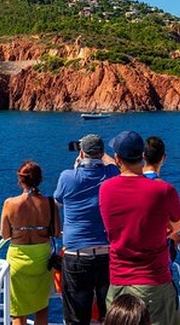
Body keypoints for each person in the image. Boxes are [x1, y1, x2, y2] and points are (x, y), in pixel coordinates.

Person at [99, 130, 180, 325]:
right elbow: (178, 225)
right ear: (142, 156)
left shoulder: (105, 189)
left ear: (117, 158)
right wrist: (166, 228)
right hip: (154, 280)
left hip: (119, 281)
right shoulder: (163, 191)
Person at [54, 134, 120, 325]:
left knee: (76, 317)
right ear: (101, 153)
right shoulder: (112, 173)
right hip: (106, 254)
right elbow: (115, 165)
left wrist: (77, 167)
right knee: (109, 314)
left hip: (76, 255)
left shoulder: (67, 177)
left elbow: (58, 201)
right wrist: (102, 155)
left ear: (81, 153)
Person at [0, 161, 60, 325]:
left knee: (18, 311)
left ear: (20, 180)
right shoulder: (49, 203)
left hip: (18, 259)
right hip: (42, 259)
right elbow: (56, 232)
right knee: (42, 308)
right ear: (40, 179)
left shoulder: (10, 203)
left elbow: (5, 235)